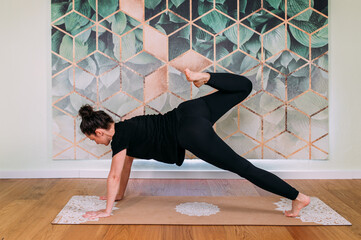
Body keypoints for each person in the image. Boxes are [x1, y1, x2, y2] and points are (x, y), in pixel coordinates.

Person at [79, 68, 310, 220]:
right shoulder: (127, 126)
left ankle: (298, 197)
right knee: (244, 88)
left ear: (99, 131)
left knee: (243, 168)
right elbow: (126, 167)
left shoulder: (119, 139)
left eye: (94, 139)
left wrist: (106, 211)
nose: (97, 143)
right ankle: (206, 77)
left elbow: (114, 175)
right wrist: (118, 196)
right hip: (189, 110)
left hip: (190, 132)